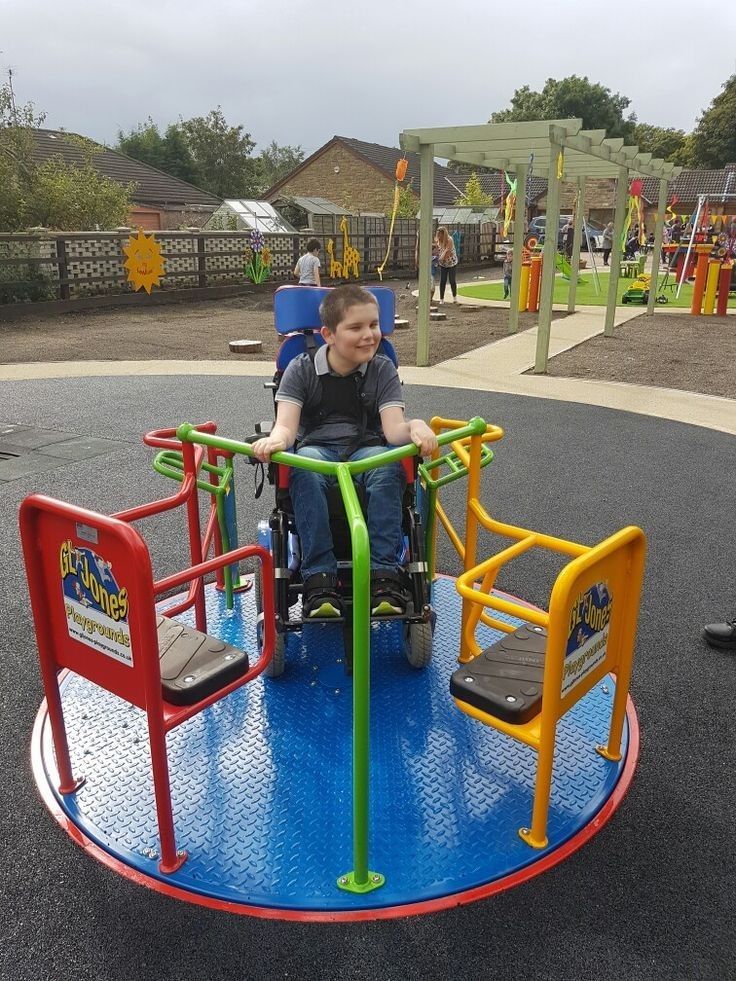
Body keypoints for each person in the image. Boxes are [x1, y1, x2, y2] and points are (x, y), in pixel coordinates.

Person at [251, 284, 438, 619]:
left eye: (374, 325)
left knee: (387, 469)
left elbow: (394, 430)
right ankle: (318, 579)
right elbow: (286, 427)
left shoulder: (382, 369)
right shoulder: (301, 368)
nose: (369, 335)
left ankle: (384, 577)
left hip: (368, 451)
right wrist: (276, 441)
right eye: (356, 328)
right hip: (318, 451)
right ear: (329, 335)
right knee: (305, 467)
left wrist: (417, 426)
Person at [435, 226, 458, 304]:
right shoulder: (438, 240)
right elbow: (437, 250)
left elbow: (447, 252)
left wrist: (439, 259)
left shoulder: (449, 240)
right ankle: (441, 298)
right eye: (437, 234)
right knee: (443, 280)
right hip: (443, 264)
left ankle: (454, 297)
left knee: (452, 280)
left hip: (451, 262)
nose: (438, 236)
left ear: (443, 234)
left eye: (439, 234)